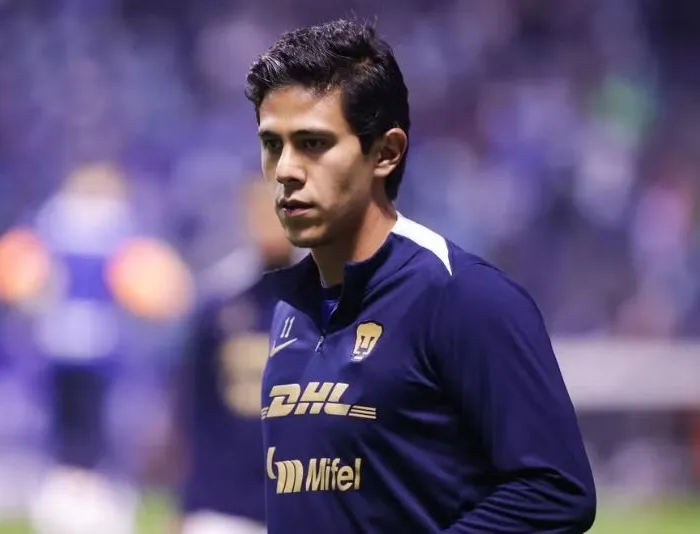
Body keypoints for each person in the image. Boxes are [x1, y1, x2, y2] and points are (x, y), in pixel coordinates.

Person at [246, 19, 596, 533]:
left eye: (313, 143)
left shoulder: (461, 295)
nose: (285, 170)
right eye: (272, 144)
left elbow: (556, 491)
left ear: (386, 153)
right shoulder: (287, 309)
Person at [170, 180, 295, 534]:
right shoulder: (221, 299)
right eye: (264, 211)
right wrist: (187, 502)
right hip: (224, 502)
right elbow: (195, 406)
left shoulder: (333, 298)